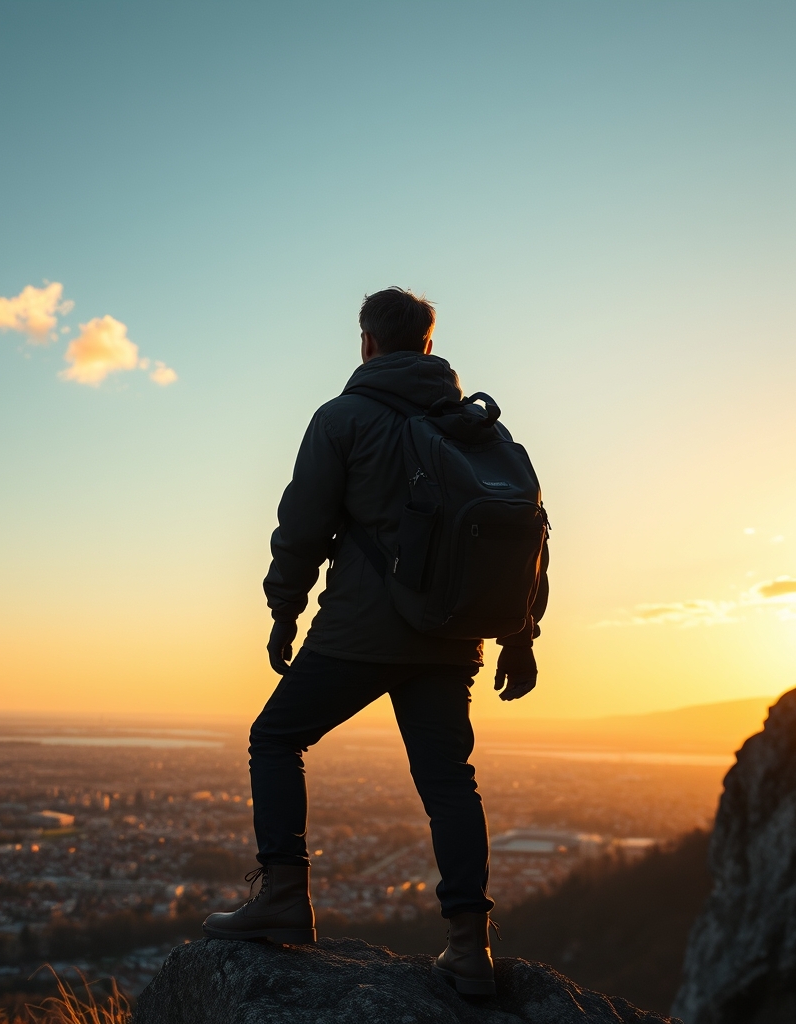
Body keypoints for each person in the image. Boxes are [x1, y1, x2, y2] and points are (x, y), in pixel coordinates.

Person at [203, 287, 548, 995]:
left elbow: (303, 527)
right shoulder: (476, 429)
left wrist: (283, 610)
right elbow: (524, 542)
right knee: (450, 782)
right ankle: (469, 946)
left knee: (275, 738)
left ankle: (284, 895)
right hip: (450, 639)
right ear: (429, 345)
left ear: (366, 342)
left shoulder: (342, 419)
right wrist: (521, 638)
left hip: (360, 631)